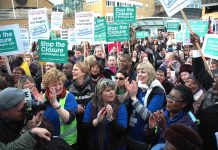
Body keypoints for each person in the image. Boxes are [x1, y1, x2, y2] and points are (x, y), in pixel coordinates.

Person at [125, 62, 166, 150]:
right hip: (129, 134)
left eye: (143, 72)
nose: (139, 74)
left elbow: (148, 116)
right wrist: (127, 94)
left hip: (143, 138)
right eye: (138, 72)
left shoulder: (157, 91)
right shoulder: (137, 86)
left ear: (150, 73)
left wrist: (133, 97)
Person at [146, 85, 198, 149]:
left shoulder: (189, 123)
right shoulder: (163, 112)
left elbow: (180, 146)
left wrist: (164, 127)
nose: (169, 100)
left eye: (173, 99)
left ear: (184, 104)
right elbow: (148, 139)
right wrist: (151, 128)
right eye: (169, 96)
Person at [83, 78, 128, 150]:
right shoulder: (92, 105)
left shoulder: (120, 106)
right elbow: (85, 127)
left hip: (116, 147)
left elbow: (122, 132)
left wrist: (111, 119)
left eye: (113, 89)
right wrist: (97, 121)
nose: (112, 92)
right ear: (100, 94)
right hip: (95, 146)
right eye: (108, 90)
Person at [43, 68, 78, 147]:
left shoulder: (69, 96)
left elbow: (68, 119)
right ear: (47, 86)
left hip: (66, 142)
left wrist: (56, 104)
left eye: (60, 84)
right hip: (48, 140)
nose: (58, 87)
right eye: (54, 85)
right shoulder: (42, 98)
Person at [69, 62, 95, 149]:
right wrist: (75, 107)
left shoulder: (93, 87)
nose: (73, 71)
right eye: (72, 69)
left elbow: (97, 103)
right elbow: (65, 103)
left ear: (83, 72)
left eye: (75, 69)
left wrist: (86, 108)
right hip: (74, 126)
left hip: (89, 124)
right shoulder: (69, 87)